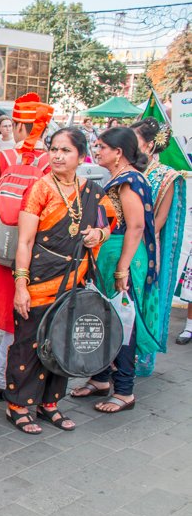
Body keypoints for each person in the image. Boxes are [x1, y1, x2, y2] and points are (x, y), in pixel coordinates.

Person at [6, 128, 114, 434]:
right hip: (40, 279)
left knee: (63, 342)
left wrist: (98, 234)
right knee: (29, 343)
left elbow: (107, 225)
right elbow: (25, 242)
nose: (57, 156)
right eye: (53, 149)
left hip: (73, 281)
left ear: (81, 157)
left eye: (65, 150)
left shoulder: (93, 192)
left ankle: (49, 403)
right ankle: (17, 405)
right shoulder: (40, 189)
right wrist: (21, 286)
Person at [0, 92, 54, 402]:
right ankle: (2, 381)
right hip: (29, 259)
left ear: (17, 126)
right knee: (13, 322)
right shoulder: (52, 163)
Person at [71, 127, 158, 413]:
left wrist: (122, 268)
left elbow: (135, 226)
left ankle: (124, 390)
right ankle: (100, 378)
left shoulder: (129, 180)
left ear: (118, 152)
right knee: (104, 316)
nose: (96, 152)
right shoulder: (118, 177)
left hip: (123, 256)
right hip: (109, 254)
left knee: (122, 320)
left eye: (101, 147)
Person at [131, 118, 187, 376]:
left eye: (135, 140)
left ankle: (139, 354)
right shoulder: (128, 169)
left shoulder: (167, 177)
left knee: (143, 299)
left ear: (150, 145)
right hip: (122, 242)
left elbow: (159, 220)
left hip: (146, 246)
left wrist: (137, 240)